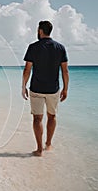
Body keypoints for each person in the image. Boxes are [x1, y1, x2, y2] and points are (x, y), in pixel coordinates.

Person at [22, 20, 69, 157]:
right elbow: (65, 71)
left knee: (37, 118)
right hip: (53, 89)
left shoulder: (33, 47)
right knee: (52, 116)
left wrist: (23, 86)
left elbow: (27, 69)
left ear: (40, 31)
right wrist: (65, 89)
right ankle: (48, 144)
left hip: (36, 88)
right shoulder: (60, 48)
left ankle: (39, 149)